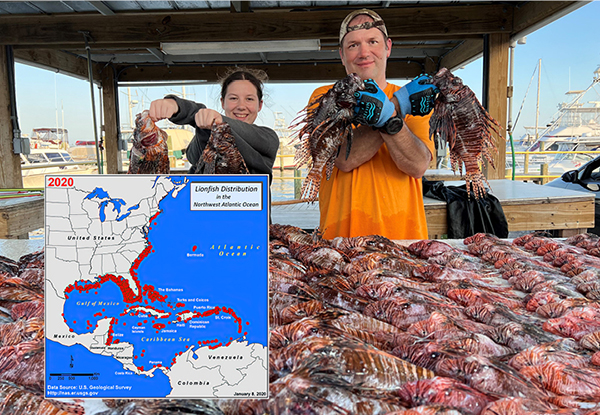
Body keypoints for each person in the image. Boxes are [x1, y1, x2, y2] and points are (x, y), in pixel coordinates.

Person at [309, 9, 438, 240]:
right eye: (353, 45)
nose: (364, 52)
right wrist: (396, 108)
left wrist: (390, 109)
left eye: (372, 42)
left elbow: (418, 165)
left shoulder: (417, 100)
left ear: (387, 47)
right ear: (342, 54)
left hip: (403, 241)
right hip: (340, 243)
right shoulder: (324, 98)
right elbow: (343, 159)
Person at [148, 68, 279, 182]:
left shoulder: (267, 139)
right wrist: (178, 106)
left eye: (249, 99)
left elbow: (238, 130)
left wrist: (218, 120)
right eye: (233, 98)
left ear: (260, 105)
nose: (241, 106)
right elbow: (194, 156)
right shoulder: (206, 134)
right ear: (222, 102)